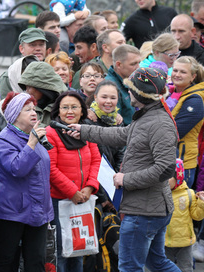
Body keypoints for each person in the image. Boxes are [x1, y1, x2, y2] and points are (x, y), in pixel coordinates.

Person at [68, 67, 180, 272]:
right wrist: (83, 130)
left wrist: (126, 179)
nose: (127, 93)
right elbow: (120, 135)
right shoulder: (148, 116)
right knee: (157, 263)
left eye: (130, 89)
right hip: (147, 208)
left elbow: (165, 169)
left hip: (144, 212)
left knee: (129, 267)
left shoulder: (159, 123)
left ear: (139, 94)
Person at [0, 92, 54, 271]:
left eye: (34, 109)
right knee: (6, 260)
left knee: (36, 261)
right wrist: (31, 144)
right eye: (27, 110)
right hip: (11, 212)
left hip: (37, 211)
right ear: (15, 114)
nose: (34, 113)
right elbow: (17, 169)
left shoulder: (34, 137)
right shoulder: (3, 139)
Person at [46, 91, 101, 272]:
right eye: (65, 107)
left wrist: (89, 187)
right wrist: (72, 191)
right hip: (59, 200)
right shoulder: (51, 133)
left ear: (82, 110)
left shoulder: (86, 130)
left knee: (80, 247)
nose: (70, 111)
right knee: (61, 250)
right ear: (58, 111)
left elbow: (96, 160)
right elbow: (51, 169)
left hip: (83, 199)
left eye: (74, 107)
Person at [170, 56, 204, 188]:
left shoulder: (195, 100)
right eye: (175, 70)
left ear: (193, 77)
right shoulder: (171, 92)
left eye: (183, 72)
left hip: (183, 163)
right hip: (170, 159)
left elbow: (176, 131)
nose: (177, 75)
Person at [165, 158, 204, 272]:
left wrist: (201, 203)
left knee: (186, 268)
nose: (165, 181)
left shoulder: (189, 194)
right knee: (166, 268)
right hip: (166, 241)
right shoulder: (161, 194)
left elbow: (197, 216)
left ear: (178, 177)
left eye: (169, 177)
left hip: (185, 242)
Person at [84, 80, 125, 172]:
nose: (108, 101)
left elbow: (121, 155)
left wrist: (116, 176)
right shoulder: (87, 120)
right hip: (93, 175)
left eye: (113, 98)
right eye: (104, 97)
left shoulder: (118, 122)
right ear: (95, 97)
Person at [19, 61, 68, 126]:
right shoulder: (25, 106)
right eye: (26, 88)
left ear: (41, 88)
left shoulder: (65, 106)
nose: (27, 91)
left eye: (29, 87)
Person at [105, 44, 141, 126]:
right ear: (119, 65)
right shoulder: (110, 87)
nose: (138, 67)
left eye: (139, 63)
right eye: (133, 64)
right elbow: (115, 124)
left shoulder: (132, 79)